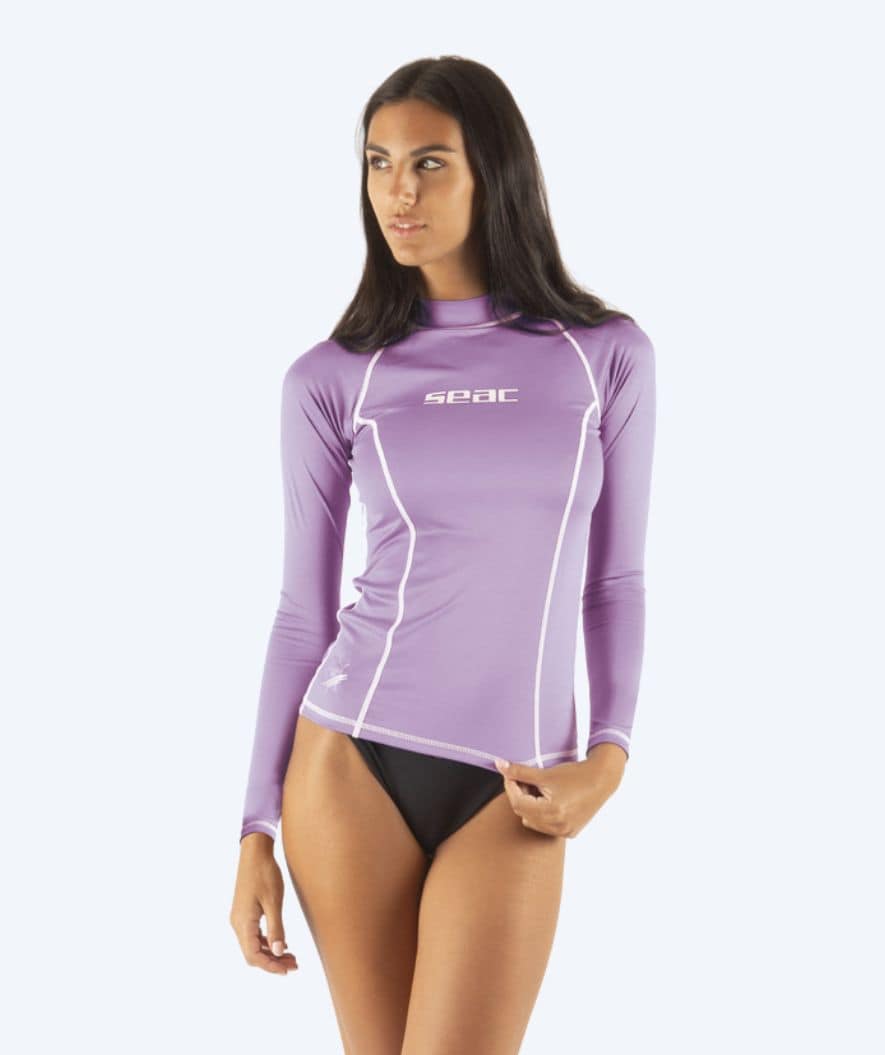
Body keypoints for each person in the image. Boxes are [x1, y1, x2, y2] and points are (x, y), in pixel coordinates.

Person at [230, 55, 656, 1054]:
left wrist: (609, 755)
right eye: (378, 162)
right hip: (350, 761)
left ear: (492, 172)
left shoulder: (604, 355)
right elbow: (302, 613)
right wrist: (254, 825)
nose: (398, 192)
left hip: (520, 778)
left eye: (429, 162)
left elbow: (615, 580)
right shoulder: (332, 376)